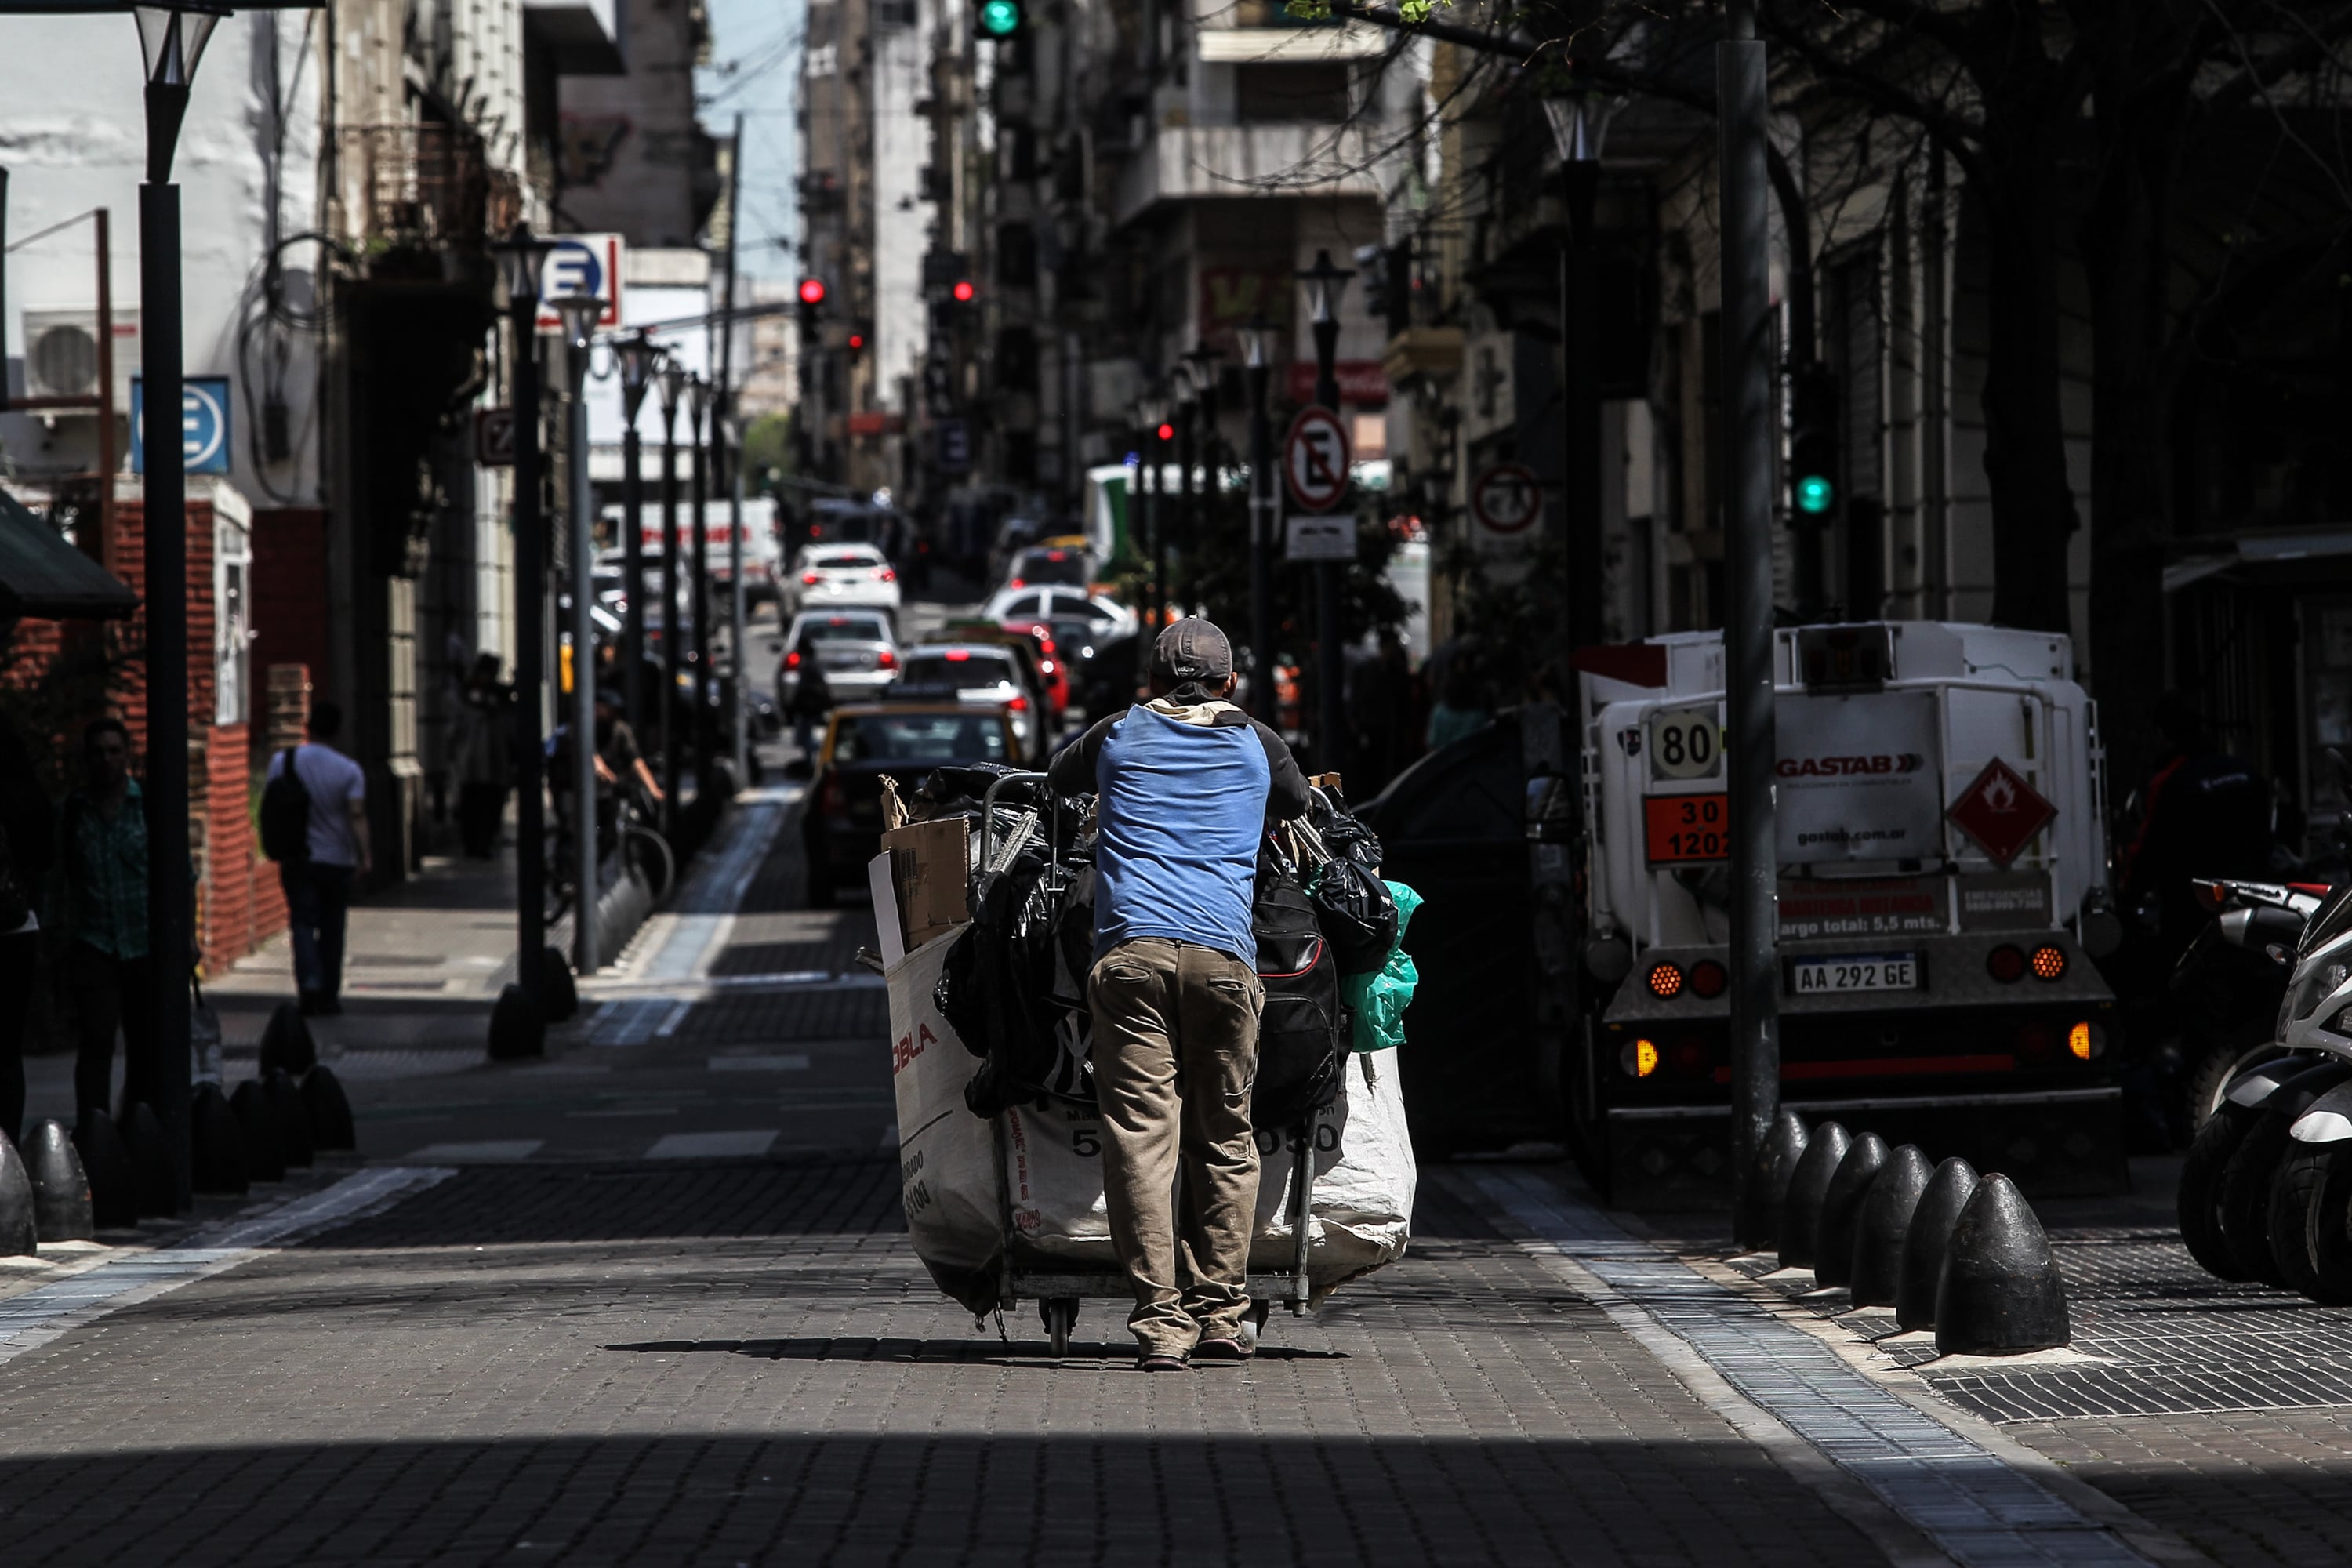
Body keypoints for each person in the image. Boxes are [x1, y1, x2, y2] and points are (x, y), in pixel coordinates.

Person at [1048, 616, 1308, 1371]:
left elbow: (1060, 780)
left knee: (1142, 1139)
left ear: (1151, 683)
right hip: (1225, 962)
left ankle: (1161, 1323)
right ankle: (1221, 1313)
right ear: (1230, 683)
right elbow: (1293, 805)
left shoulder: (1116, 735)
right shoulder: (1259, 741)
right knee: (1225, 1136)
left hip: (1131, 959)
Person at [53, 718, 158, 1127]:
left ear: (127, 755)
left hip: (142, 943)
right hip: (93, 941)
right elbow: (57, 881)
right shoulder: (74, 812)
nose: (107, 760)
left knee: (145, 1045)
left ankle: (140, 1125)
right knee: (96, 1040)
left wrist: (184, 937)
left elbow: (180, 874)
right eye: (99, 752)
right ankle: (94, 1129)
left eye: (115, 751)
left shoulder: (146, 806)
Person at [2121, 699, 2273, 963]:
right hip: (2251, 895)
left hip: (2193, 904)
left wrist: (2128, 896)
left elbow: (2151, 846)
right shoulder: (2243, 772)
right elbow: (2266, 835)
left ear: (2162, 734)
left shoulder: (2171, 780)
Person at [267, 701, 371, 1016]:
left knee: (301, 922)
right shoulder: (349, 770)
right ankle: (329, 993)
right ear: (338, 731)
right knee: (332, 927)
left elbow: (272, 807)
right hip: (337, 860)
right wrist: (365, 856)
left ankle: (309, 983)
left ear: (308, 726)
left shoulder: (283, 761)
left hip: (299, 857)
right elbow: (356, 816)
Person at [0, 716, 53, 1147]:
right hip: (19, 929)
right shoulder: (27, 796)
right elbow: (45, 861)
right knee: (8, 1053)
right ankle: (7, 1150)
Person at [453, 653, 511, 859]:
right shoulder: (469, 696)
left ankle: (484, 844)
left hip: (492, 766)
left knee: (490, 808)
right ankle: (474, 845)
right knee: (473, 808)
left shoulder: (496, 698)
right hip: (473, 767)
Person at [787, 633, 833, 758]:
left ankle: (825, 751)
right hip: (809, 704)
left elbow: (812, 686)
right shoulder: (809, 663)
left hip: (809, 704)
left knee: (804, 737)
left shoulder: (809, 665)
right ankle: (810, 759)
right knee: (804, 736)